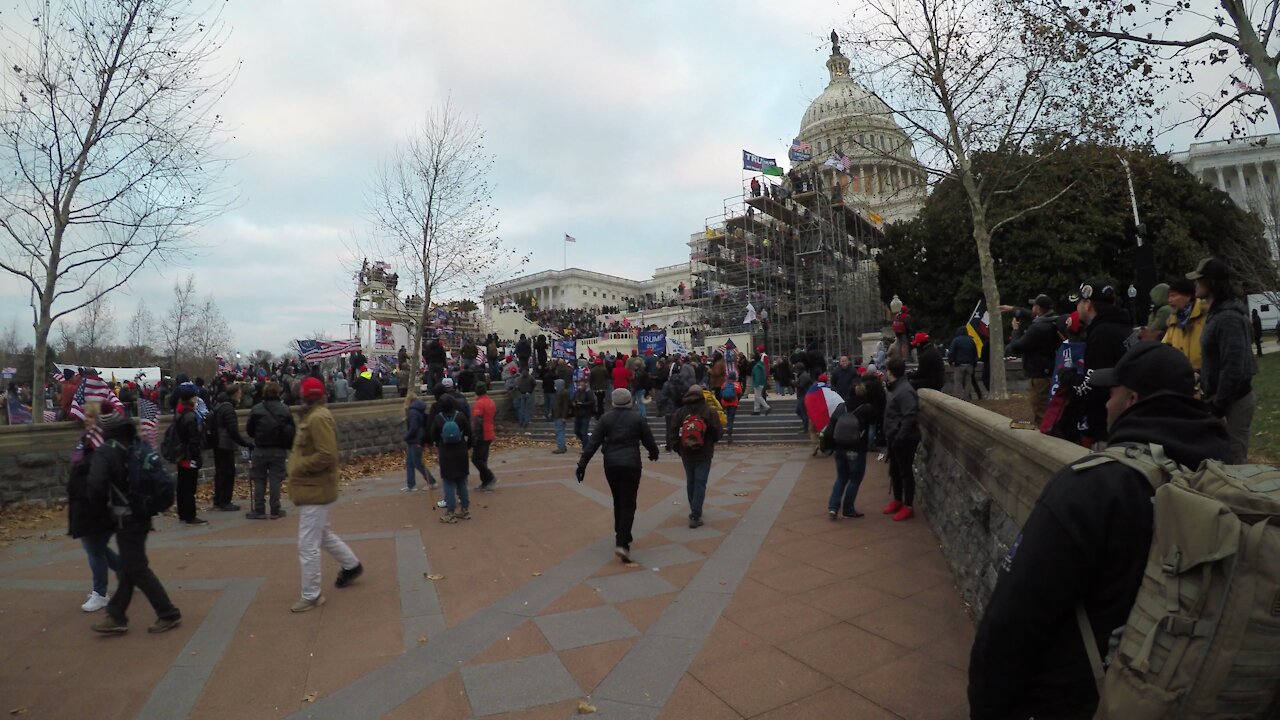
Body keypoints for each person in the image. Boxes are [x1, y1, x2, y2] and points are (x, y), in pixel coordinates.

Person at [968, 342, 1231, 719]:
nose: (1106, 404)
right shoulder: (1228, 477)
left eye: (1112, 394)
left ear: (1132, 399)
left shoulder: (1093, 488)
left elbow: (1010, 624)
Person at [87, 409, 182, 635]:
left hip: (124, 517)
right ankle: (117, 614)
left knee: (136, 568)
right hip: (143, 512)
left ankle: (168, 613)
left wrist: (97, 512)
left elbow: (96, 485)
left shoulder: (105, 452)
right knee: (130, 566)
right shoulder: (139, 446)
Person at [289, 376, 362, 613]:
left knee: (307, 543)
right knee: (321, 535)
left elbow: (327, 455)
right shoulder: (314, 415)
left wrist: (300, 466)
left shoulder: (318, 418)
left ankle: (311, 595)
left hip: (315, 488)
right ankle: (351, 565)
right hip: (314, 487)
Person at [576, 388, 660, 563]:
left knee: (618, 500)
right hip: (632, 464)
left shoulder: (606, 419)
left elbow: (592, 444)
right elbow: (648, 439)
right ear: (630, 401)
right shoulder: (637, 418)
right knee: (629, 503)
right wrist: (654, 453)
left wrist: (582, 465)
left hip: (612, 465)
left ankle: (621, 534)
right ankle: (623, 542)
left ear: (613, 402)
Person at [1190, 257, 1257, 463]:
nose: (1194, 283)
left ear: (1211, 282)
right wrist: (1201, 375)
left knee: (1234, 464)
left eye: (1199, 279)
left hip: (1233, 403)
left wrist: (1219, 409)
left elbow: (1233, 367)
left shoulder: (1228, 317)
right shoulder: (1216, 313)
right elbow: (1218, 358)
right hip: (1222, 400)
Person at [67, 401, 118, 612]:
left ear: (98, 419)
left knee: (94, 549)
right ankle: (131, 572)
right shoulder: (85, 440)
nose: (84, 419)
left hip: (96, 505)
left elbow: (102, 476)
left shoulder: (102, 444)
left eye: (89, 416)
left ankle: (100, 592)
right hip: (82, 502)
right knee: (97, 548)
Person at [1067, 279, 1130, 446]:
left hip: (1107, 426)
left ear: (1087, 304)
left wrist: (1069, 379)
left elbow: (1094, 381)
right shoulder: (1123, 327)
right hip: (1126, 418)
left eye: (1079, 302)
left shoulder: (1102, 333)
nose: (1077, 306)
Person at [669, 384, 723, 528]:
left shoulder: (680, 412)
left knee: (691, 481)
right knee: (700, 482)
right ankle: (695, 514)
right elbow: (718, 433)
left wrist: (678, 448)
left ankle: (694, 508)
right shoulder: (709, 411)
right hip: (704, 452)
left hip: (686, 452)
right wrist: (709, 441)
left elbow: (673, 432)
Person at [820, 383, 877, 519]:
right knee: (855, 479)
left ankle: (833, 507)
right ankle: (848, 508)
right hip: (857, 448)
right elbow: (874, 422)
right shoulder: (867, 408)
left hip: (840, 447)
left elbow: (831, 425)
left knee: (841, 477)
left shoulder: (842, 407)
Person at [1005, 294, 1060, 426]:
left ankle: (1044, 437)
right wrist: (1013, 309)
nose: (1032, 309)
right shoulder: (1053, 321)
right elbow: (1031, 314)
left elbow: (1018, 347)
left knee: (1039, 407)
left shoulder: (1038, 328)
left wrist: (1015, 331)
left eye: (1034, 306)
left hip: (1039, 374)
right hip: (1049, 370)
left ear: (1039, 309)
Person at [245, 382, 295, 519]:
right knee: (275, 479)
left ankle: (259, 509)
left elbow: (250, 430)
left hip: (260, 448)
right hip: (278, 448)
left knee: (259, 479)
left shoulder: (256, 409)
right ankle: (275, 509)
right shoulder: (285, 409)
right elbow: (292, 429)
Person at [882, 357, 919, 522]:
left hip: (904, 439)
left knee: (905, 473)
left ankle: (908, 505)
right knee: (895, 471)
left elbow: (910, 416)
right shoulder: (896, 388)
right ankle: (898, 499)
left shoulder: (905, 390)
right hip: (894, 437)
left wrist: (900, 437)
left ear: (890, 372)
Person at [431, 393, 473, 523]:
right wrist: (468, 447)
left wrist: (437, 446)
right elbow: (469, 433)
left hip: (446, 453)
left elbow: (433, 436)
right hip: (461, 451)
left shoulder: (438, 419)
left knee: (448, 482)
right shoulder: (460, 416)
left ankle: (450, 512)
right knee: (461, 481)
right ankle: (465, 509)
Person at [211, 386, 251, 512]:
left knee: (220, 472)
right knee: (228, 472)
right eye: (239, 393)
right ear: (234, 394)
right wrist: (244, 443)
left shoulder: (220, 405)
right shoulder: (228, 408)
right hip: (225, 444)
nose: (241, 396)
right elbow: (232, 430)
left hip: (217, 443)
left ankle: (219, 500)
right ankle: (225, 501)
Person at [173, 386, 207, 525]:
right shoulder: (191, 416)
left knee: (182, 484)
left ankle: (183, 513)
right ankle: (190, 514)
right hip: (189, 455)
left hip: (181, 454)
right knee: (189, 485)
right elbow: (193, 439)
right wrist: (196, 455)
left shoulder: (179, 413)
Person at [1161, 278, 1205, 371]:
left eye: (1173, 296)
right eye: (1168, 297)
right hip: (1181, 379)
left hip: (1205, 380)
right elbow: (1164, 349)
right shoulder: (1173, 321)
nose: (1169, 300)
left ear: (1188, 296)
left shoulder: (1206, 316)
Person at [402, 392, 431, 492]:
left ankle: (431, 481)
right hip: (416, 439)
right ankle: (411, 484)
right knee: (410, 462)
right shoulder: (418, 410)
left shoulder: (412, 412)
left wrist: (407, 436)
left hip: (415, 440)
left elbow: (414, 427)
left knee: (417, 462)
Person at [471, 382, 498, 491]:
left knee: (476, 459)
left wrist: (475, 435)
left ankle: (489, 477)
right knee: (483, 458)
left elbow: (478, 421)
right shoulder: (491, 402)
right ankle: (485, 482)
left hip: (482, 434)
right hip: (489, 432)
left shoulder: (479, 403)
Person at [947, 327, 978, 401]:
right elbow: (975, 353)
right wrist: (974, 364)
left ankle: (959, 397)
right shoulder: (971, 340)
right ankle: (966, 397)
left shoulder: (956, 340)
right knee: (968, 382)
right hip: (970, 364)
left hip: (959, 364)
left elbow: (951, 352)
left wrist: (950, 361)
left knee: (958, 381)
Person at [572, 376, 594, 448]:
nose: (580, 386)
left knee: (583, 432)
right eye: (579, 384)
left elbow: (591, 402)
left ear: (585, 384)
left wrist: (582, 403)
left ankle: (586, 447)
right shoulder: (577, 392)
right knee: (576, 431)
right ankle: (587, 442)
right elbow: (573, 399)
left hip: (585, 414)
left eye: (581, 384)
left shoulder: (588, 393)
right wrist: (574, 403)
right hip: (577, 414)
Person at [551, 378, 571, 454]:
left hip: (560, 415)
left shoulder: (563, 393)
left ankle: (561, 447)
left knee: (560, 431)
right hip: (557, 415)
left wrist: (564, 416)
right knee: (559, 431)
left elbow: (565, 406)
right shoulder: (559, 392)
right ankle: (561, 446)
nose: (554, 386)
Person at [719, 376, 742, 443]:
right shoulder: (737, 384)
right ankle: (729, 433)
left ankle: (728, 428)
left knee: (727, 416)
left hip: (725, 403)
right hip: (733, 403)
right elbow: (740, 393)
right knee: (731, 418)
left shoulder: (724, 384)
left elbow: (721, 394)